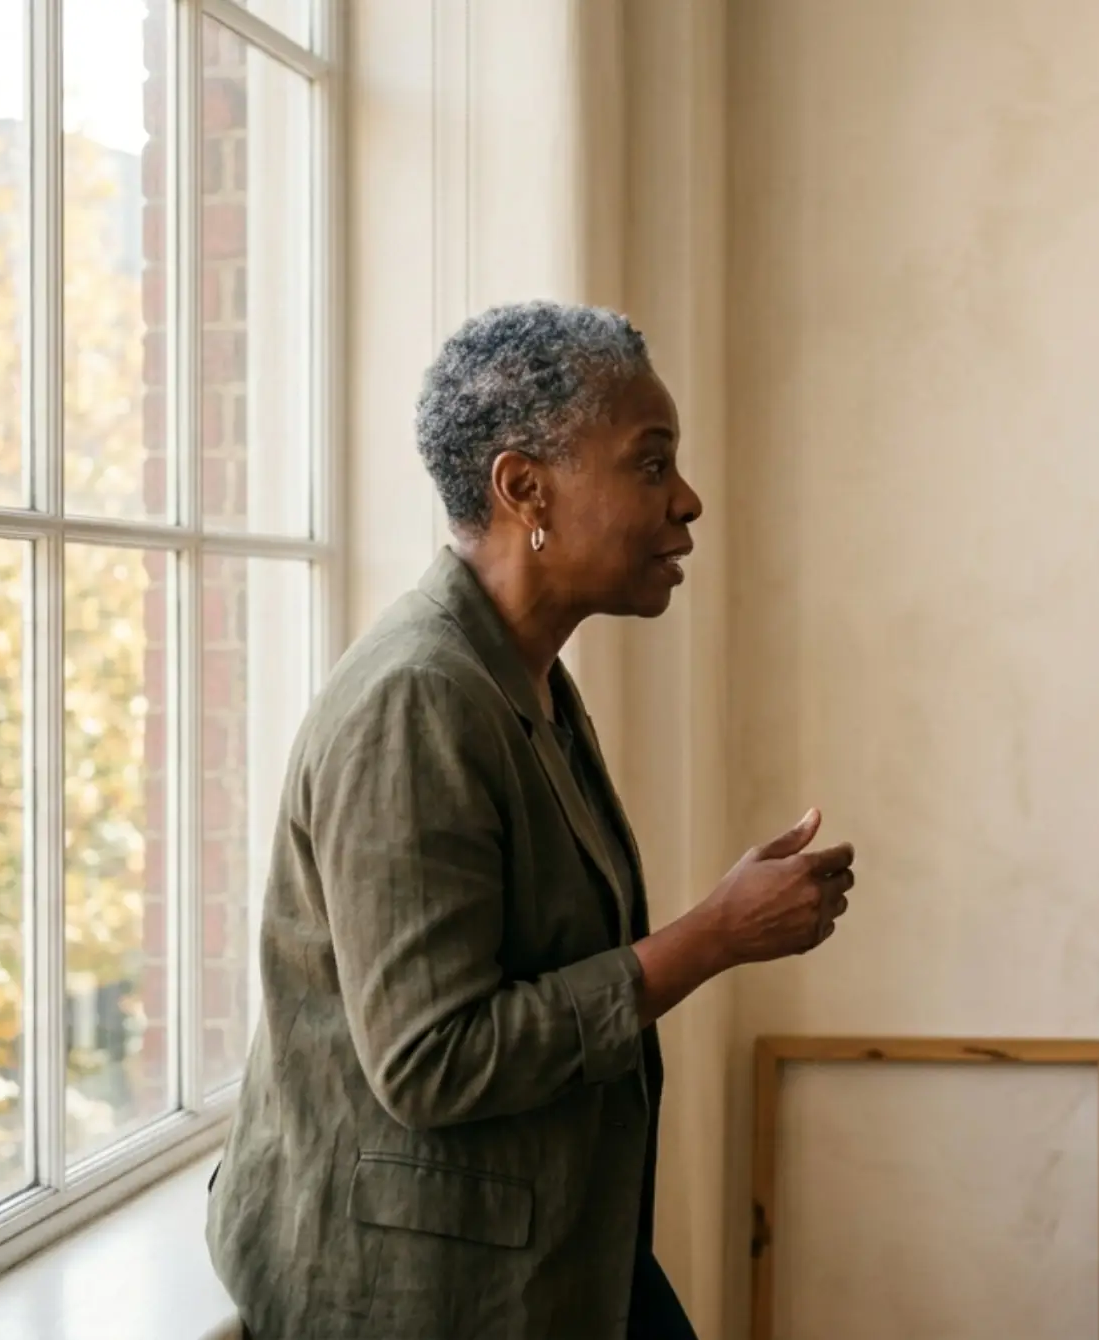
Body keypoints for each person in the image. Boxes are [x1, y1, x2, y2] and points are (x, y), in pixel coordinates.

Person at [207, 302, 858, 1339]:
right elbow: (434, 1057)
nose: (688, 501)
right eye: (651, 464)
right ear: (524, 488)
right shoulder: (419, 699)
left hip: (554, 1260)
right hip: (416, 1294)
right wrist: (712, 936)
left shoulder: (519, 676)